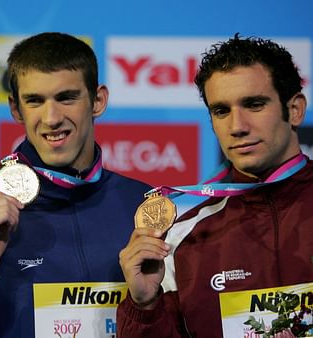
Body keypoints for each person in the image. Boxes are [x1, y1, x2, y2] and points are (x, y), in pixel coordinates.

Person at [0, 32, 152, 337]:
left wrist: (147, 306)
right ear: (15, 109)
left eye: (66, 97)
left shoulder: (143, 207)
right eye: (35, 101)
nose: (51, 118)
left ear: (98, 100)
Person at [116, 34, 313, 337]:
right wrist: (144, 307)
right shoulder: (183, 238)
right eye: (221, 111)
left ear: (295, 109)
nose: (237, 127)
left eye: (255, 104)